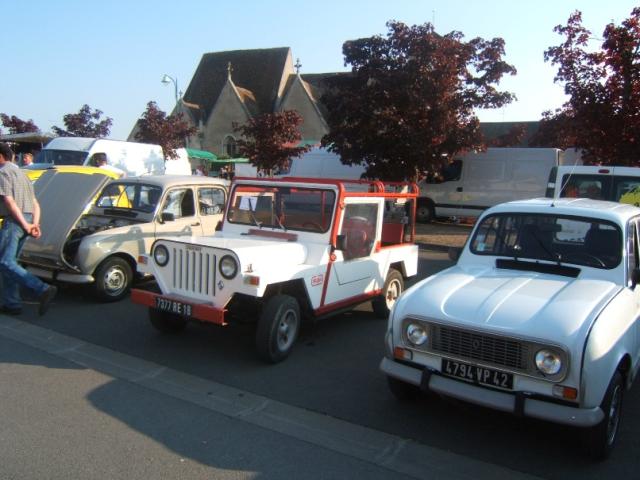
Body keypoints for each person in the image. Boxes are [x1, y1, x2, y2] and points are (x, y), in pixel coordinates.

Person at [0, 143, 57, 315]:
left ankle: (42, 288)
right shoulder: (22, 174)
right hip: (29, 218)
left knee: (5, 262)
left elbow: (9, 202)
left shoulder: (3, 172)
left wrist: (25, 224)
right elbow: (35, 204)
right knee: (9, 264)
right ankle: (12, 304)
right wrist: (34, 225)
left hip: (15, 221)